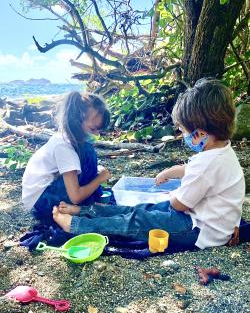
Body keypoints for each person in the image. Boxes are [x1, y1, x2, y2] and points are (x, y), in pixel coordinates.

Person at [52, 79, 245, 251]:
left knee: (136, 221)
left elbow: (178, 204)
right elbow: (194, 171)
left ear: (201, 134)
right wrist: (170, 172)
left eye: (184, 131)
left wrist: (172, 194)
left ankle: (77, 226)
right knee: (142, 209)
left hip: (198, 230)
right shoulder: (221, 151)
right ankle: (85, 211)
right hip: (205, 220)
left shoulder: (207, 164)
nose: (182, 135)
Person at [22, 92, 111, 220]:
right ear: (76, 121)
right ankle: (88, 204)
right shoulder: (64, 147)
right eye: (93, 129)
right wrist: (99, 179)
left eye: (99, 130)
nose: (97, 134)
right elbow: (75, 197)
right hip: (41, 202)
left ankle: (91, 200)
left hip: (41, 193)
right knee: (89, 153)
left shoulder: (64, 137)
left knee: (88, 156)